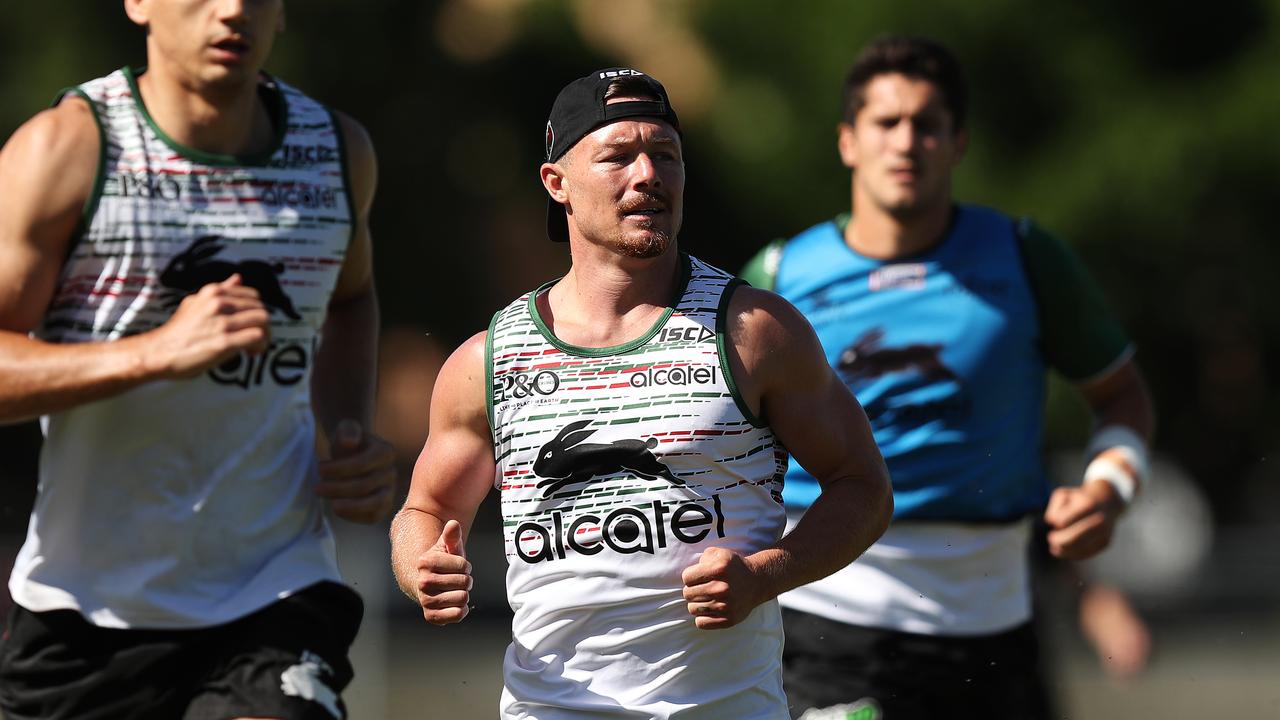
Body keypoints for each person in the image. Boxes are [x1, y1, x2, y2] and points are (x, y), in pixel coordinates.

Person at [390, 67, 894, 719]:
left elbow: (864, 487)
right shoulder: (488, 360)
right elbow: (424, 510)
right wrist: (422, 567)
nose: (647, 175)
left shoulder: (754, 333)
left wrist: (767, 573)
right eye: (618, 156)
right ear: (557, 183)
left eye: (665, 155)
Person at [739, 36, 1156, 720]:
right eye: (886, 123)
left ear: (957, 142)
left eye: (927, 125)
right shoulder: (779, 278)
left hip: (997, 629)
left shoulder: (1026, 259)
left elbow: (1123, 396)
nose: (906, 143)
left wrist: (1108, 492)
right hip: (825, 623)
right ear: (847, 141)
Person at [0, 1, 397, 718]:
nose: (234, 10)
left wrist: (345, 432)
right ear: (139, 4)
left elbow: (349, 299)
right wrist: (153, 354)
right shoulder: (68, 150)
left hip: (275, 590)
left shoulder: (335, 152)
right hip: (85, 614)